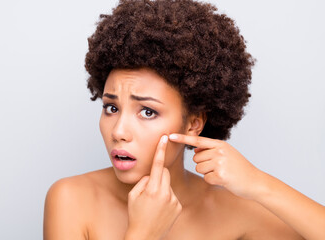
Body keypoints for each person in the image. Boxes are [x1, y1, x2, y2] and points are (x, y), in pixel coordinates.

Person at [43, 0, 325, 239]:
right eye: (111, 108)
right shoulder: (71, 199)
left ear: (193, 124)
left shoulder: (233, 210)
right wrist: (142, 233)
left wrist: (258, 183)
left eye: (147, 112)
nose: (119, 131)